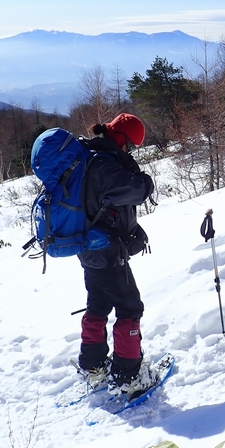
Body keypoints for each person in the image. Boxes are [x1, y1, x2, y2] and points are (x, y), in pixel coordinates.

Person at [76, 112, 156, 396]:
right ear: (122, 138)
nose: (131, 151)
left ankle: (93, 366)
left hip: (90, 249)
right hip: (108, 253)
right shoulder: (104, 165)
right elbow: (136, 190)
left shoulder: (90, 157)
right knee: (129, 308)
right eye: (131, 144)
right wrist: (146, 180)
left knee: (98, 304)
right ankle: (128, 376)